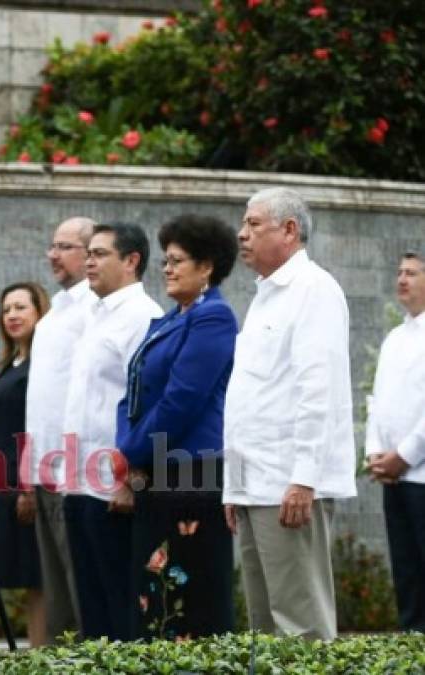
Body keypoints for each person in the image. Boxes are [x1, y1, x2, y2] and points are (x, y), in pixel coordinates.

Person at [223, 187, 356, 641]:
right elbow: (250, 402)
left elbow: (317, 392)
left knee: (301, 629)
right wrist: (233, 486)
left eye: (254, 224)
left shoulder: (313, 290)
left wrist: (303, 478)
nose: (242, 234)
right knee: (265, 629)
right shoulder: (266, 296)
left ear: (290, 229)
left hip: (288, 486)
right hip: (256, 486)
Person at [116, 214, 238, 639]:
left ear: (206, 267)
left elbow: (182, 399)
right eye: (165, 260)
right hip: (157, 469)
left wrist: (132, 452)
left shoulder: (214, 318)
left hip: (191, 473)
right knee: (153, 590)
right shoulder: (170, 319)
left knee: (189, 593)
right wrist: (128, 449)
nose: (166, 268)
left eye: (177, 260)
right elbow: (131, 392)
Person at [62, 223, 163, 641]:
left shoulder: (144, 317)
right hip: (79, 481)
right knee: (92, 608)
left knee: (122, 603)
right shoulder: (94, 314)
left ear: (131, 261)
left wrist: (131, 478)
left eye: (100, 253)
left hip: (112, 487)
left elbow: (145, 404)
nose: (89, 261)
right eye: (88, 253)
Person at [25, 216, 95, 642]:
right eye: (52, 246)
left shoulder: (93, 309)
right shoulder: (57, 310)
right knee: (56, 594)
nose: (52, 255)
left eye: (64, 246)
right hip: (44, 471)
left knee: (81, 586)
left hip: (77, 472)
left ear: (91, 254)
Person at [0, 281, 50, 647]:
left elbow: (37, 427)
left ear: (40, 312)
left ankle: (46, 657)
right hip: (4, 482)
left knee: (41, 579)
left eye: (21, 308)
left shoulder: (44, 365)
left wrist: (29, 486)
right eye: (7, 310)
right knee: (25, 578)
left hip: (29, 484)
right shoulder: (8, 364)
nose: (13, 316)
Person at [365, 250, 425, 632]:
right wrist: (375, 452)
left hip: (421, 475)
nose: (402, 279)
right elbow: (377, 401)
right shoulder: (393, 338)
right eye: (400, 272)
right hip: (394, 477)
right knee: (406, 572)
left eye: (412, 273)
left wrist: (404, 455)